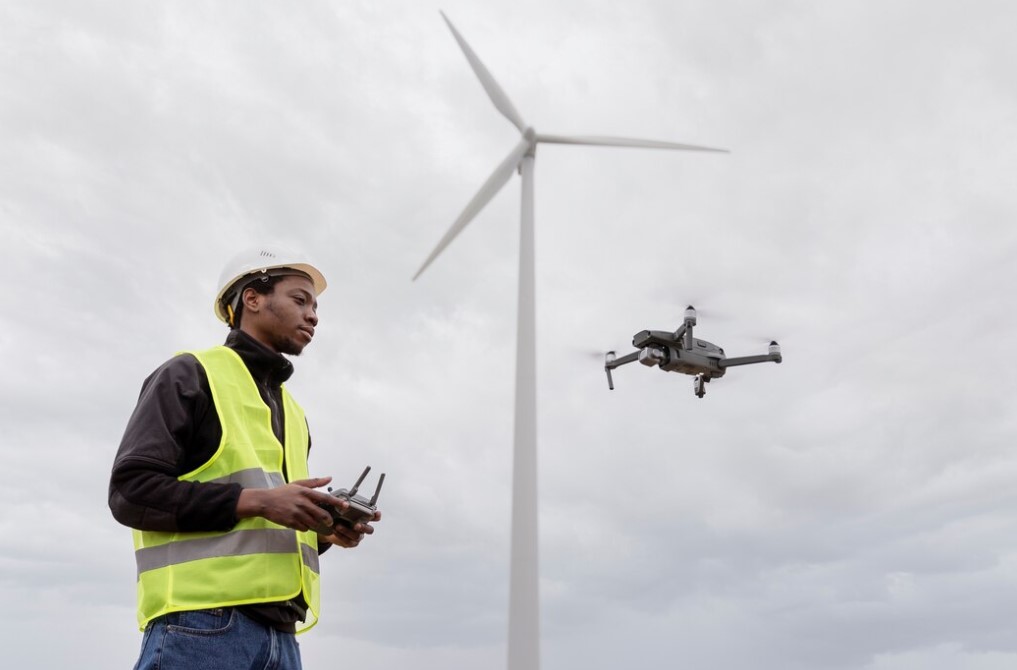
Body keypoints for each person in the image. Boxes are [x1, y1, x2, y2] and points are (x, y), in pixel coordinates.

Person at [109, 246, 379, 670]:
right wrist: (258, 501)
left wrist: (324, 531)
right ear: (252, 299)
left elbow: (260, 532)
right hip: (201, 626)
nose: (313, 316)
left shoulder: (292, 411)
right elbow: (131, 491)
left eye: (315, 306)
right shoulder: (189, 374)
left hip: (281, 640)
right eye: (300, 299)